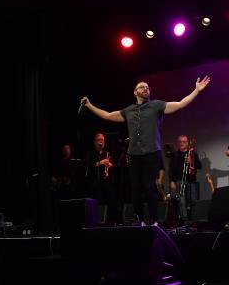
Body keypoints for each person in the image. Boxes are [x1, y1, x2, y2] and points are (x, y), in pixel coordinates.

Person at [81, 76, 210, 225]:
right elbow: (108, 115)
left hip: (151, 153)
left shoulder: (156, 106)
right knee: (135, 189)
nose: (146, 89)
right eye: (142, 87)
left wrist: (196, 90)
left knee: (149, 187)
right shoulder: (128, 110)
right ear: (135, 92)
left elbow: (180, 104)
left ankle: (154, 220)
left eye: (148, 87)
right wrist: (89, 106)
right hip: (134, 154)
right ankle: (141, 220)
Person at [84, 132, 118, 224]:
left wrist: (111, 165)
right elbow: (89, 166)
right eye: (99, 140)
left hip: (106, 182)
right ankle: (94, 222)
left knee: (112, 199)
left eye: (102, 140)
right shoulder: (90, 154)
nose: (101, 142)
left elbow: (115, 165)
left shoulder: (107, 153)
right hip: (94, 183)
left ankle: (111, 222)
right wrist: (101, 162)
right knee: (95, 203)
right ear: (95, 142)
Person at [169, 135, 203, 222]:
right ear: (178, 143)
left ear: (187, 143)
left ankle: (193, 220)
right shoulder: (175, 155)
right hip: (180, 181)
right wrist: (172, 181)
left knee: (192, 201)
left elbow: (199, 166)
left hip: (191, 181)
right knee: (181, 202)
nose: (182, 144)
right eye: (180, 142)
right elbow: (171, 169)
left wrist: (191, 161)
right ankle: (184, 221)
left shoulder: (193, 154)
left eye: (184, 142)